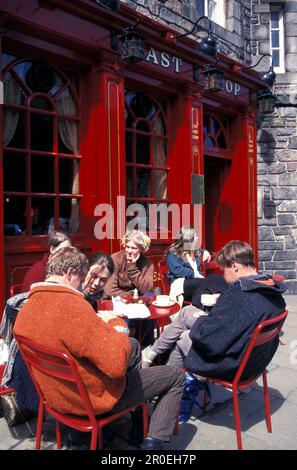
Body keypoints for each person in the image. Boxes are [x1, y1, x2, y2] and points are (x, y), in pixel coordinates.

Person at [14, 246, 185, 450]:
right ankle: (151, 443)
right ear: (70, 274)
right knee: (175, 375)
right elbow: (116, 366)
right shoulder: (74, 307)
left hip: (56, 398)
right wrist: (117, 325)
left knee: (132, 347)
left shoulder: (27, 309)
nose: (86, 283)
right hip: (91, 402)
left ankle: (137, 420)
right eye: (84, 277)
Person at [143, 240, 286, 382]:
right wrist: (210, 316)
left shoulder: (239, 294)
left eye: (224, 270)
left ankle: (168, 387)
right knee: (187, 312)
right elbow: (234, 325)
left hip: (232, 365)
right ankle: (151, 354)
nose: (223, 276)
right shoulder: (272, 291)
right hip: (254, 362)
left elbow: (210, 340)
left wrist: (203, 321)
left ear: (235, 266)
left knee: (183, 338)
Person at [104, 229, 154, 298]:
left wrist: (132, 267)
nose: (129, 251)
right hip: (116, 300)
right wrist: (128, 295)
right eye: (127, 247)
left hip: (138, 301)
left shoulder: (147, 264)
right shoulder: (115, 259)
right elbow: (109, 289)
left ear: (141, 249)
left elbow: (147, 289)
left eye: (134, 248)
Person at [166, 226, 211, 302]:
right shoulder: (173, 252)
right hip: (180, 283)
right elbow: (178, 270)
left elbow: (200, 250)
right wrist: (195, 275)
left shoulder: (193, 251)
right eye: (195, 236)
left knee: (211, 283)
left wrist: (205, 252)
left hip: (195, 283)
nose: (198, 238)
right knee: (207, 283)